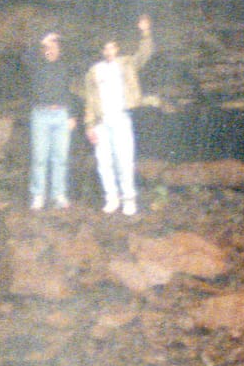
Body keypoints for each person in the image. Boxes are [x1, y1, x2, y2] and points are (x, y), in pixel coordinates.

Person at [86, 15, 153, 217]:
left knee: (124, 160)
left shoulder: (126, 64)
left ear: (117, 49)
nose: (109, 52)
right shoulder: (94, 71)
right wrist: (89, 125)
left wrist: (145, 32)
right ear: (102, 51)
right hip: (101, 122)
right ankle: (111, 198)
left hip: (121, 119)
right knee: (104, 162)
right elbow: (90, 100)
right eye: (106, 49)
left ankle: (129, 199)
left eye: (112, 48)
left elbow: (144, 54)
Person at [23, 28, 74, 210]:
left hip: (61, 115)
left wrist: (72, 115)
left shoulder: (64, 66)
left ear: (59, 49)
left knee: (60, 157)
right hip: (41, 115)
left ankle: (58, 194)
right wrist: (41, 40)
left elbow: (69, 92)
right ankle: (38, 195)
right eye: (48, 47)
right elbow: (26, 55)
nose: (51, 50)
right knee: (40, 157)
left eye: (54, 47)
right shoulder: (37, 64)